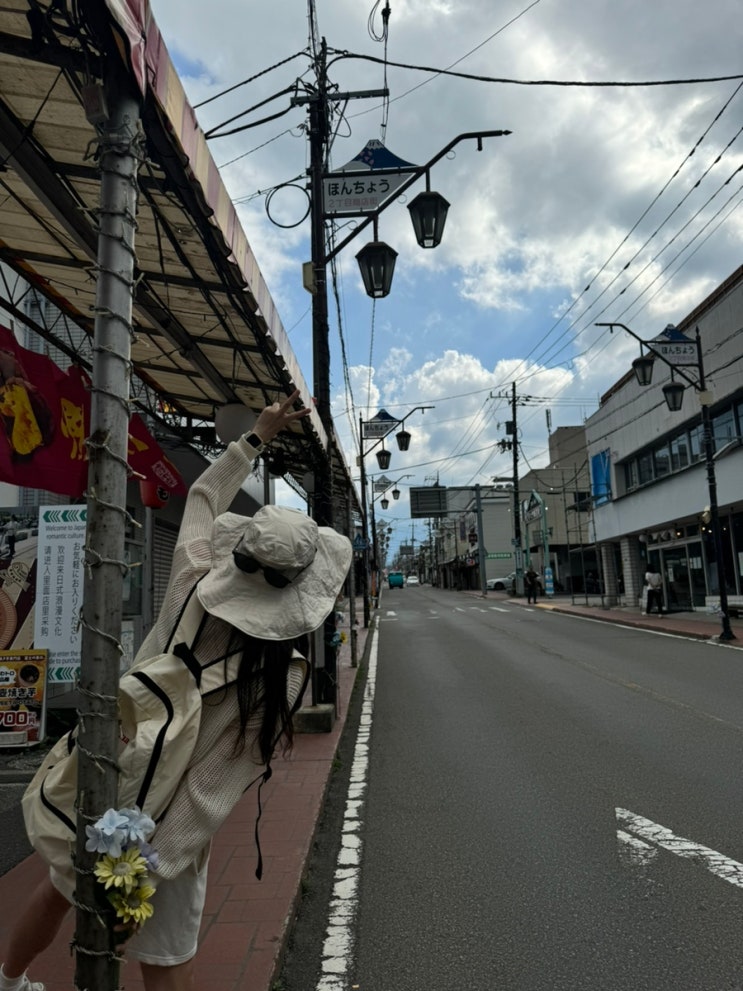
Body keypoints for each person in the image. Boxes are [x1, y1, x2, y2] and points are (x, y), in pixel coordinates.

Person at [0, 390, 352, 991]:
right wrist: (142, 873)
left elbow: (205, 494)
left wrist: (257, 435)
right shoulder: (283, 675)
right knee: (166, 962)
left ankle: (10, 982)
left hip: (104, 770)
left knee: (56, 889)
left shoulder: (191, 573)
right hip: (160, 828)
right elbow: (208, 791)